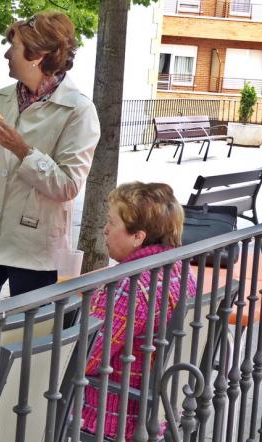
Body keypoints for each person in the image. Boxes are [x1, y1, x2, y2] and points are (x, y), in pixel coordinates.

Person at [0, 10, 100, 308]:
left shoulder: (78, 111)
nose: (6, 54)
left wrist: (22, 149)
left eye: (13, 47)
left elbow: (68, 186)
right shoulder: (2, 97)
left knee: (30, 331)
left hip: (34, 248)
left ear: (37, 55)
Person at [82, 182, 198, 440]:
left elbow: (85, 358)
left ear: (138, 237)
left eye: (111, 222)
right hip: (163, 411)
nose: (105, 229)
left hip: (112, 415)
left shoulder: (130, 286)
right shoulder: (181, 270)